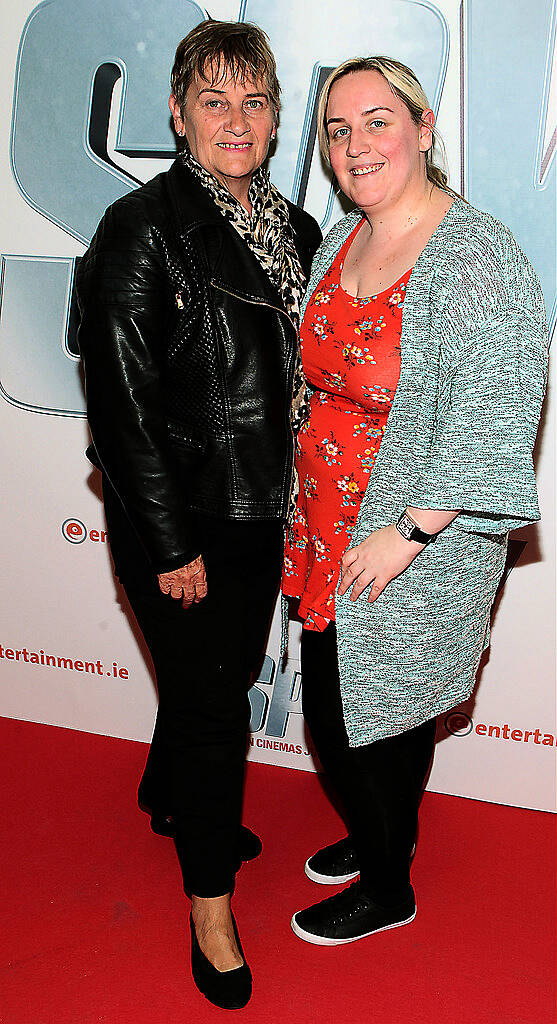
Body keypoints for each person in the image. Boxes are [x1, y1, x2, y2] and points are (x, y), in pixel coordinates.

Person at [76, 20, 321, 1008]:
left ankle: (165, 798)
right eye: (212, 99)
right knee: (217, 704)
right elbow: (120, 409)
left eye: (253, 100)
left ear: (273, 119)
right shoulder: (139, 234)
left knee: (202, 675)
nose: (235, 118)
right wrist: (171, 543)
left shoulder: (294, 227)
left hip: (263, 505)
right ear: (176, 115)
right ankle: (209, 906)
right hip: (178, 515)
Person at [282, 56, 548, 946]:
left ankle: (387, 886)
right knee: (335, 703)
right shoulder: (340, 239)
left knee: (378, 711)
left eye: (377, 120)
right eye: (337, 127)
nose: (356, 143)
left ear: (423, 128)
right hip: (325, 522)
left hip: (411, 535)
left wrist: (409, 530)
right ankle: (372, 836)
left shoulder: (474, 253)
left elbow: (497, 407)